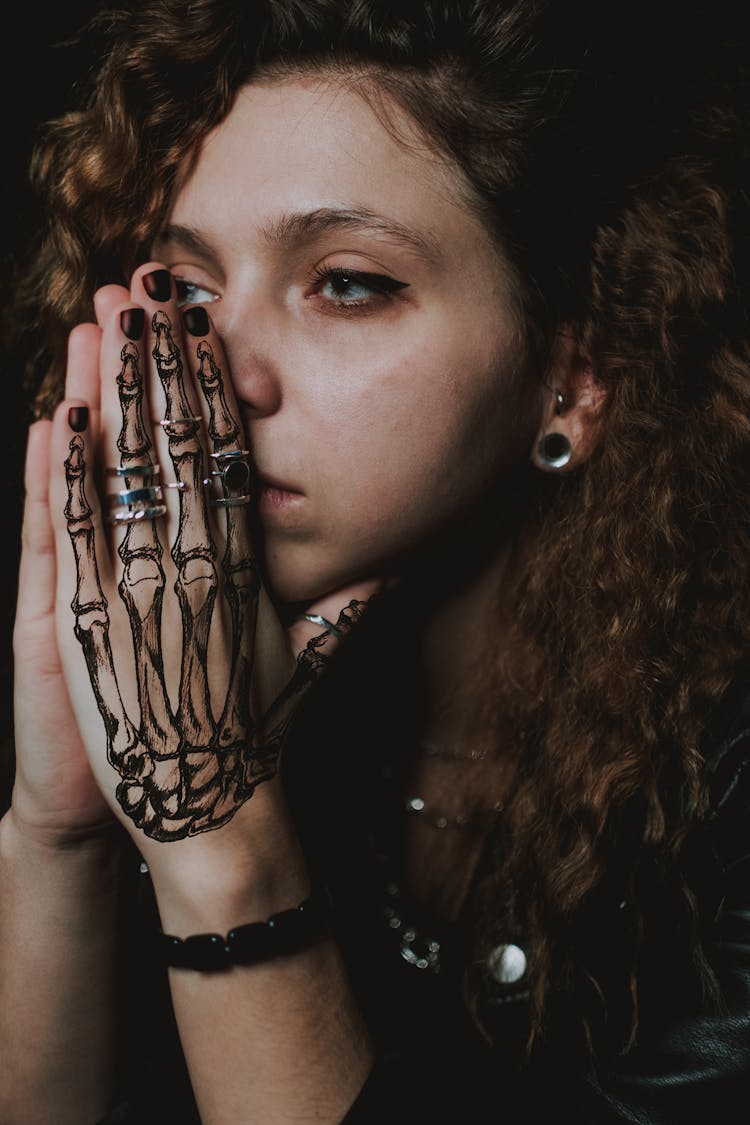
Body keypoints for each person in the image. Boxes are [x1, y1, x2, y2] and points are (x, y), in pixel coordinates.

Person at [2, 0, 749, 1121]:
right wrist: (62, 832)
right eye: (187, 290)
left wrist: (216, 826)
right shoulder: (245, 681)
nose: (226, 375)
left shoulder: (722, 796)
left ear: (572, 382)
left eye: (347, 283)